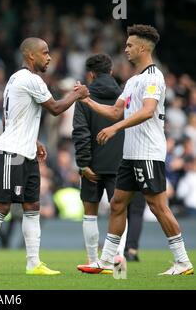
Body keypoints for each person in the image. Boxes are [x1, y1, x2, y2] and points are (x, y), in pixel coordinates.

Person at [77, 24, 193, 275]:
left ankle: (182, 261)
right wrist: (86, 100)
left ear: (142, 47)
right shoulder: (132, 81)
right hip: (129, 155)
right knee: (118, 203)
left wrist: (116, 129)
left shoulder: (154, 77)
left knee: (158, 207)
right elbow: (115, 111)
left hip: (147, 153)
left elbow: (147, 110)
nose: (125, 49)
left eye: (129, 45)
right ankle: (107, 260)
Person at [0, 37, 88, 276]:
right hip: (12, 153)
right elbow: (56, 108)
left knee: (32, 206)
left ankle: (33, 263)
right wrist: (77, 94)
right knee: (1, 207)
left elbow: (14, 116)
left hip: (25, 151)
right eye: (45, 52)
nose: (49, 57)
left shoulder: (15, 79)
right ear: (30, 56)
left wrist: (33, 140)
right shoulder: (31, 79)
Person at [72, 53, 146, 264]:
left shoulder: (84, 99)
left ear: (91, 75)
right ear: (111, 71)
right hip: (120, 165)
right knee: (119, 213)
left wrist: (84, 163)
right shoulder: (125, 96)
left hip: (92, 166)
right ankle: (118, 262)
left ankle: (92, 261)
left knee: (90, 214)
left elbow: (80, 132)